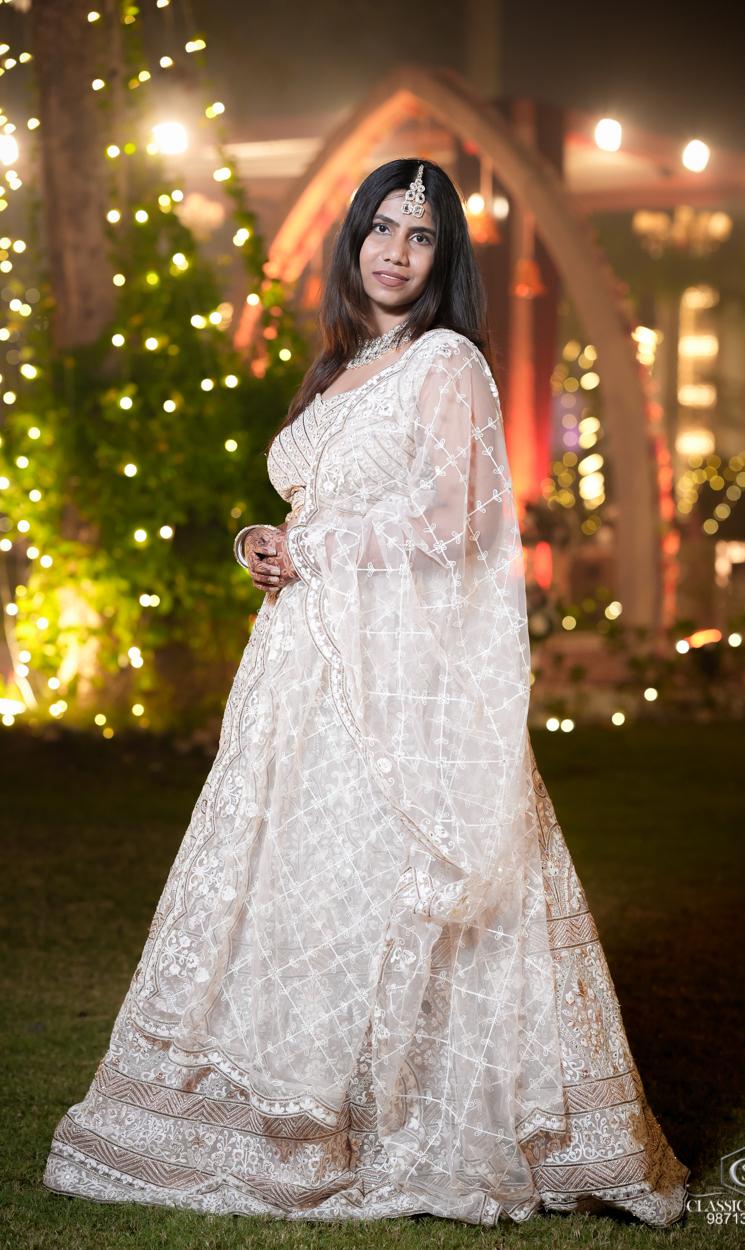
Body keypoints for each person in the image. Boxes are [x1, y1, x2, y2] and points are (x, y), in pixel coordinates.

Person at [42, 158, 690, 1228]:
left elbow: (456, 523)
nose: (394, 250)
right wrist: (265, 540)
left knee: (392, 882)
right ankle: (292, 1107)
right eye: (379, 228)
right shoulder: (346, 361)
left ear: (444, 258)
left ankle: (413, 1122)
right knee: (294, 887)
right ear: (351, 241)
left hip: (394, 685)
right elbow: (325, 505)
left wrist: (313, 546)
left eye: (419, 235)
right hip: (300, 668)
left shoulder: (444, 360)